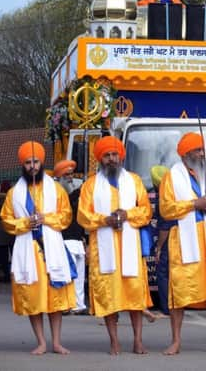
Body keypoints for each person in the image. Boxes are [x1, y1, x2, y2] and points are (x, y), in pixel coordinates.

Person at [158, 132, 206, 355]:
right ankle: (176, 341)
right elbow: (166, 209)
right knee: (179, 291)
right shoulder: (171, 177)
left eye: (202, 150)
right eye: (197, 151)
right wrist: (193, 204)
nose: (201, 154)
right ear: (185, 154)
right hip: (183, 240)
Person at [77, 136, 153, 355]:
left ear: (121, 156)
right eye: (107, 155)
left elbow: (146, 211)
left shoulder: (135, 181)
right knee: (109, 296)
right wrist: (104, 220)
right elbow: (83, 216)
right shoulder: (90, 185)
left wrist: (127, 214)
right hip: (104, 249)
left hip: (130, 246)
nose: (111, 159)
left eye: (114, 154)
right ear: (101, 159)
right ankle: (114, 341)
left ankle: (138, 340)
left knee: (134, 294)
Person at [0, 141, 75, 355]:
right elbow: (6, 220)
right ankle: (41, 341)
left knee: (55, 298)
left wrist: (46, 218)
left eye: (35, 161)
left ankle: (57, 342)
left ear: (41, 162)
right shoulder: (14, 193)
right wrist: (25, 223)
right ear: (22, 165)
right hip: (28, 249)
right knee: (34, 296)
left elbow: (66, 216)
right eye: (27, 163)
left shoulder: (57, 188)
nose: (32, 166)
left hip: (52, 248)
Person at [53, 159, 87, 315]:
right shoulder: (56, 194)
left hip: (77, 240)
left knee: (79, 275)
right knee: (67, 274)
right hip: (63, 239)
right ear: (59, 176)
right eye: (66, 174)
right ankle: (66, 304)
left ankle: (78, 305)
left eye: (71, 174)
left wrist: (83, 237)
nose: (70, 177)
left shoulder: (75, 194)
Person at [151, 165, 171, 317]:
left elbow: (165, 226)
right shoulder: (173, 193)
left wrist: (159, 247)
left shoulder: (162, 198)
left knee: (163, 273)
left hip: (169, 241)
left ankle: (166, 307)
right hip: (179, 238)